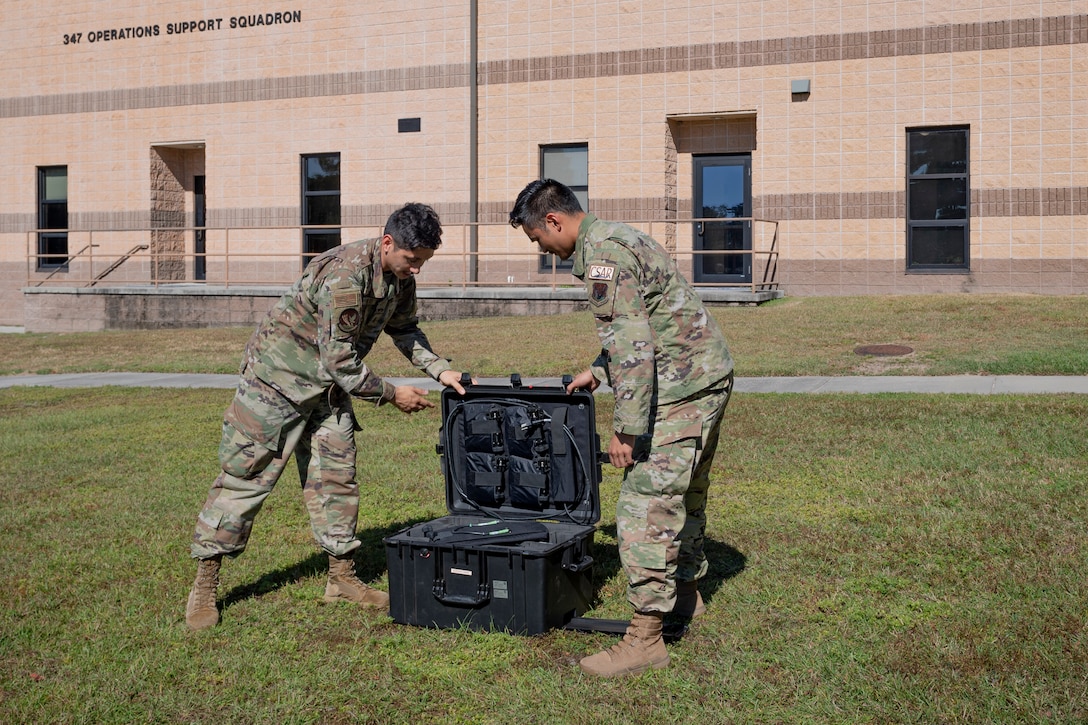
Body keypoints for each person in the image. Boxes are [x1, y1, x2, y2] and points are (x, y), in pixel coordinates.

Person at [185, 202, 467, 631]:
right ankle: (205, 584)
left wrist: (440, 368)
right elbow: (341, 361)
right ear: (388, 242)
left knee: (336, 475)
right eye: (413, 260)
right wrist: (392, 395)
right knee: (246, 478)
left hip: (328, 391)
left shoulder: (399, 277)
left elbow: (405, 330)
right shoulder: (344, 275)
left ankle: (341, 580)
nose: (416, 271)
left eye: (423, 262)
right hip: (277, 386)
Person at [509, 179, 734, 677]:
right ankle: (686, 597)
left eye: (537, 239)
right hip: (706, 373)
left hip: (680, 386)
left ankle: (645, 639)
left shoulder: (602, 256)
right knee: (686, 493)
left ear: (553, 221)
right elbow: (644, 321)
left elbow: (634, 346)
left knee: (643, 505)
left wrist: (627, 431)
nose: (542, 249)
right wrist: (597, 368)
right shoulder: (617, 236)